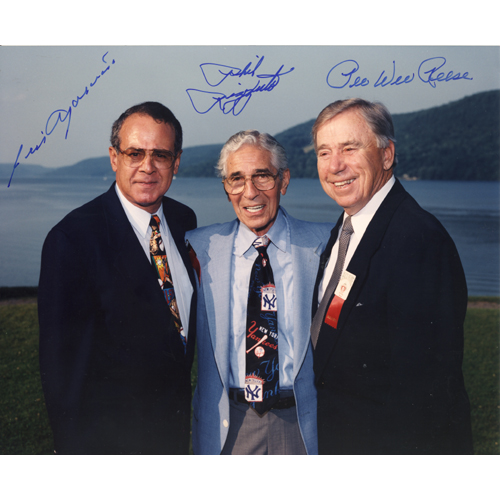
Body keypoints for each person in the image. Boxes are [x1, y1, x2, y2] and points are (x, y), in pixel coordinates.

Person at [310, 98, 473, 454]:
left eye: (349, 148)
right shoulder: (346, 229)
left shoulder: (417, 239)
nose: (335, 165)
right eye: (324, 152)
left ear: (387, 155)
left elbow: (426, 394)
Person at [38, 101, 198, 454]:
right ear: (114, 158)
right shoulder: (73, 240)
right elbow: (64, 374)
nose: (147, 167)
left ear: (177, 162)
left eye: (160, 154)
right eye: (134, 153)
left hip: (171, 438)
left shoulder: (184, 220)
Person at [186, 130, 332, 454]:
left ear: (284, 180)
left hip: (302, 424)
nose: (250, 192)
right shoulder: (199, 248)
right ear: (226, 188)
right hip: (230, 427)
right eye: (236, 179)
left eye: (262, 176)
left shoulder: (324, 244)